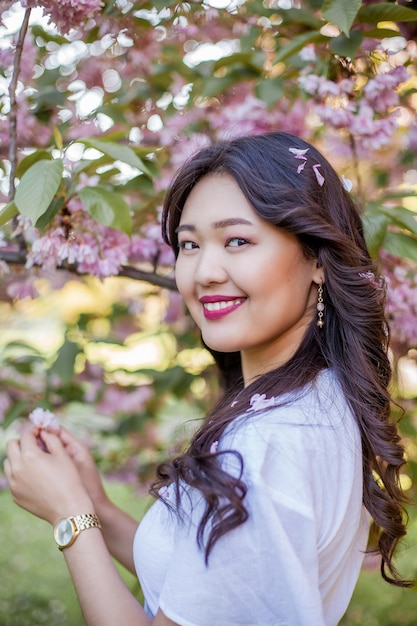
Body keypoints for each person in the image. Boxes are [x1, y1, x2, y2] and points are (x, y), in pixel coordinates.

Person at [4, 131, 411, 626]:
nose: (204, 271)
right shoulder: (319, 398)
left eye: (237, 240)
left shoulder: (262, 449)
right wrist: (100, 509)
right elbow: (217, 590)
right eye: (190, 244)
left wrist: (71, 517)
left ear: (317, 259)